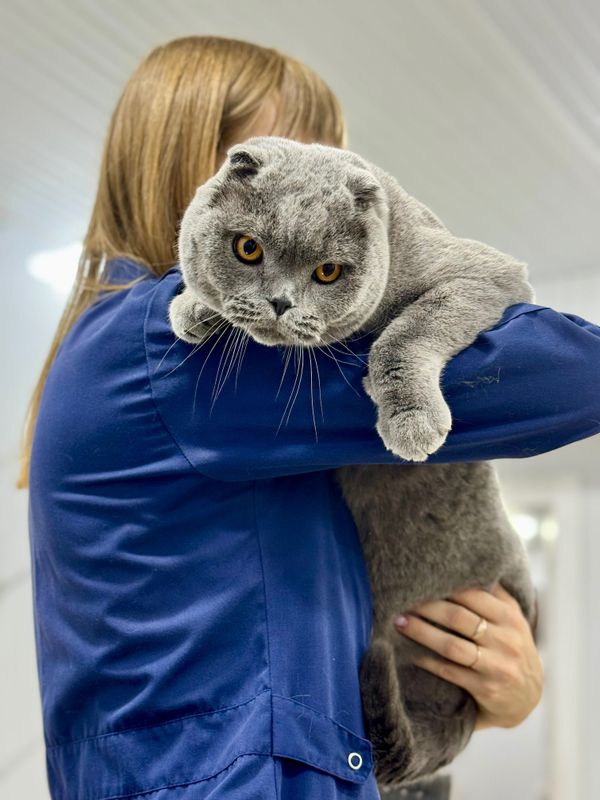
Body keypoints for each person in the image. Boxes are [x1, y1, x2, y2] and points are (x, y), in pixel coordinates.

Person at [19, 35, 600, 800]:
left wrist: (493, 702)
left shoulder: (148, 360)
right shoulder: (178, 348)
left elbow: (283, 676)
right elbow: (573, 374)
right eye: (297, 149)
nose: (326, 185)